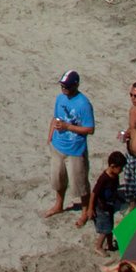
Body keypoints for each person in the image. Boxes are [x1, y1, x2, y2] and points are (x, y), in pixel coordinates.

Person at [44, 69, 96, 219]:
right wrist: (50, 137)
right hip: (58, 146)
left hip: (75, 150)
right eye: (62, 86)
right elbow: (55, 118)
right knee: (58, 179)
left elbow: (90, 129)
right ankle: (58, 205)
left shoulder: (84, 104)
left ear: (76, 85)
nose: (64, 89)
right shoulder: (60, 99)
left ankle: (85, 210)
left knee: (79, 183)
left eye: (67, 86)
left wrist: (68, 127)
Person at [78, 151, 126, 252]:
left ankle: (110, 245)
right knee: (105, 230)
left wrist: (118, 198)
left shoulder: (115, 176)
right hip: (101, 207)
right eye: (120, 168)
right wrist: (90, 209)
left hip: (109, 206)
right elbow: (94, 193)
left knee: (110, 227)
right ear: (113, 166)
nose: (121, 171)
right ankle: (98, 246)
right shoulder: (103, 178)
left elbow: (114, 189)